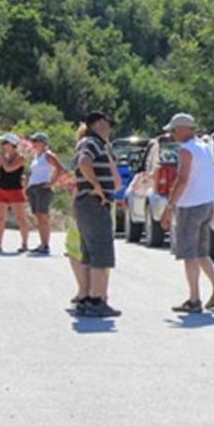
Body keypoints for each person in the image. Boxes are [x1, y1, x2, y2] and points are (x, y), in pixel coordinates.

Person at [160, 113, 214, 314]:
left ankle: (194, 299)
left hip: (190, 206)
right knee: (201, 252)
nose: (172, 135)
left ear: (184, 129)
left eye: (174, 130)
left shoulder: (186, 150)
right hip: (207, 203)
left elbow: (182, 180)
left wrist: (170, 207)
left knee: (189, 254)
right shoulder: (204, 147)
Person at [73, 112, 121, 318]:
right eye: (108, 124)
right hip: (93, 203)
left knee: (89, 252)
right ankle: (96, 300)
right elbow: (84, 162)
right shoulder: (92, 142)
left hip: (87, 203)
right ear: (99, 123)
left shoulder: (91, 143)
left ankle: (86, 299)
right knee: (101, 252)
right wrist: (97, 187)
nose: (109, 129)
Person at [0, 133, 29, 254]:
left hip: (16, 190)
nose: (2, 145)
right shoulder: (2, 157)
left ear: (12, 145)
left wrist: (2, 159)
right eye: (2, 143)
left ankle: (24, 243)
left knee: (20, 218)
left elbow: (9, 168)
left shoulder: (21, 158)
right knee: (0, 218)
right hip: (2, 189)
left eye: (5, 143)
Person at [25, 132, 65, 255]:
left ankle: (45, 244)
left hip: (43, 188)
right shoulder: (36, 156)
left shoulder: (48, 155)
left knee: (43, 216)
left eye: (35, 141)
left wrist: (51, 182)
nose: (33, 144)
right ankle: (42, 243)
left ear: (42, 143)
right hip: (33, 188)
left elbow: (60, 169)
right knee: (38, 215)